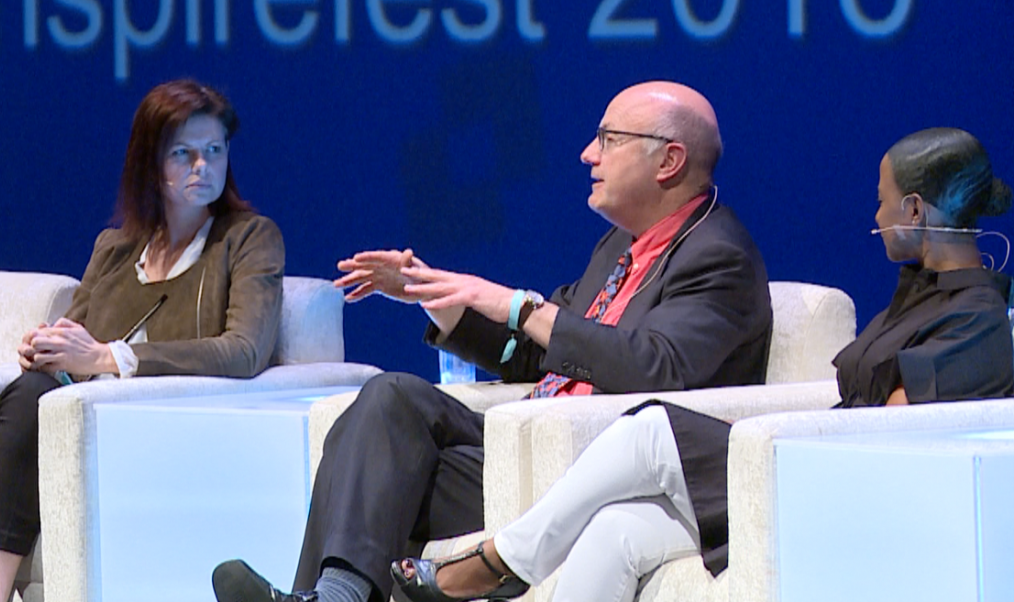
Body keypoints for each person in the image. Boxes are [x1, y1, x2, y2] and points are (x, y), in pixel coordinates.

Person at [390, 126, 1014, 602]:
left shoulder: (978, 321)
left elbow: (890, 435)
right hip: (814, 469)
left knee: (650, 426)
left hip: (842, 490)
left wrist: (794, 441)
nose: (874, 218)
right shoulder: (919, 292)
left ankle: (499, 561)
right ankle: (502, 563)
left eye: (883, 204)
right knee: (618, 529)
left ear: (913, 211)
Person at [213, 81, 772, 602]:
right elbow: (540, 352)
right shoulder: (617, 248)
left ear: (669, 160)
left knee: (375, 479)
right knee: (387, 406)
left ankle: (331, 595)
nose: (587, 154)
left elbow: (658, 367)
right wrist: (445, 302)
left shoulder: (717, 256)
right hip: (521, 438)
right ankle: (334, 595)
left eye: (608, 139)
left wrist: (516, 304)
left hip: (588, 461)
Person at [0, 79, 285, 602]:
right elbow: (73, 339)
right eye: (183, 153)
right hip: (77, 433)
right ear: (150, 162)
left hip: (158, 435)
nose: (203, 167)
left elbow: (243, 351)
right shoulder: (115, 249)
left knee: (25, 402)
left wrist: (110, 357)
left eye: (214, 151)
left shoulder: (248, 239)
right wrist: (45, 348)